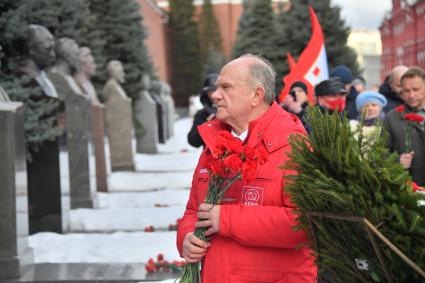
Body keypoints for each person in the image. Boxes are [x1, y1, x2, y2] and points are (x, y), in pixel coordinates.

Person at [177, 54, 317, 282]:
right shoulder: (215, 143)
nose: (215, 95)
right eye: (216, 87)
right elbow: (194, 211)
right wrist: (187, 237)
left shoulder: (293, 145)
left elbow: (303, 223)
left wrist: (226, 219)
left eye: (226, 87)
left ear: (256, 95)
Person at [383, 67, 425, 186]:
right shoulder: (391, 118)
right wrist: (397, 160)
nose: (411, 95)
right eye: (406, 91)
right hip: (408, 191)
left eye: (416, 89)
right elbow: (379, 153)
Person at [187, 73, 218, 148]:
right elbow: (193, 142)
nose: (213, 95)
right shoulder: (202, 114)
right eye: (210, 91)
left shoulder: (233, 111)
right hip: (210, 157)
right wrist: (206, 125)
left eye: (215, 90)